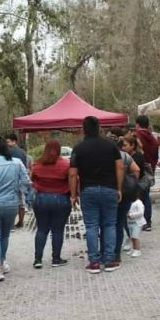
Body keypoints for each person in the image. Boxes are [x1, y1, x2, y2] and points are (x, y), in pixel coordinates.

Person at [70, 116, 123, 274]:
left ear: (83, 128)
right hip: (109, 189)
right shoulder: (111, 146)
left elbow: (72, 173)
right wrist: (119, 189)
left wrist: (73, 195)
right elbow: (120, 167)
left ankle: (94, 262)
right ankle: (109, 260)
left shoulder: (78, 148)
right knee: (110, 224)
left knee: (91, 226)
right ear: (99, 127)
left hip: (88, 190)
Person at [0, 136, 31, 281]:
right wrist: (17, 191)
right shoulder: (16, 163)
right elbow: (26, 181)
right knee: (5, 235)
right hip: (12, 204)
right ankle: (2, 263)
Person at [30, 139, 72, 268]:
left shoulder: (37, 164)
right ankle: (56, 259)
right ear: (59, 150)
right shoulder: (65, 165)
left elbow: (32, 178)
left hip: (41, 198)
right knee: (57, 230)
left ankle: (38, 259)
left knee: (41, 229)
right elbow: (72, 180)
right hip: (60, 199)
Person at [116, 135, 143, 261]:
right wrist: (130, 181)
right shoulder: (125, 156)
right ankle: (120, 250)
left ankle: (120, 247)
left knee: (114, 223)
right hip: (125, 193)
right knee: (121, 221)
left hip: (112, 193)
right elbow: (136, 170)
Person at [134, 115, 159, 231]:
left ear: (137, 124)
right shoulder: (153, 138)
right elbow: (156, 156)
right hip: (150, 170)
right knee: (146, 195)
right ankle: (147, 221)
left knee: (137, 195)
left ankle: (139, 220)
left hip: (138, 169)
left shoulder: (137, 136)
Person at [5, 132, 30, 229]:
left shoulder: (8, 152)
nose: (7, 144)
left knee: (12, 202)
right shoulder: (22, 152)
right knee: (21, 202)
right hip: (21, 179)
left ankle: (11, 223)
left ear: (14, 141)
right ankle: (21, 221)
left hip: (11, 179)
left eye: (8, 142)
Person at [125, 186, 146, 257]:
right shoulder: (129, 203)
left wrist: (131, 215)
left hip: (137, 223)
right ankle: (133, 248)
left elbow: (141, 212)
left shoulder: (138, 203)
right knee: (131, 236)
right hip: (130, 222)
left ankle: (137, 250)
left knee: (135, 236)